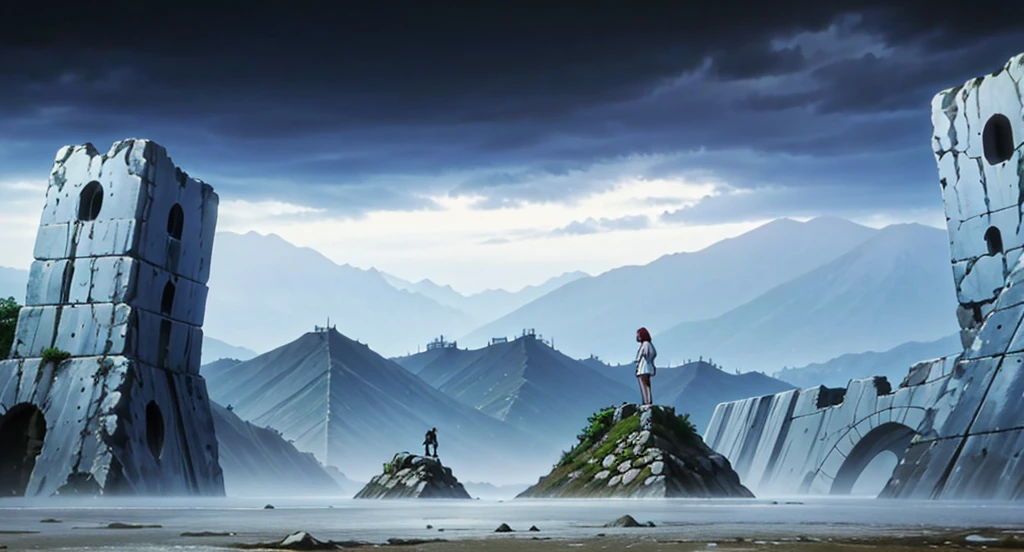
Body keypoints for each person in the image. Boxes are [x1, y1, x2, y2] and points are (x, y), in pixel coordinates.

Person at [634, 327, 657, 406]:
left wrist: (638, 360)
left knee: (644, 384)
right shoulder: (649, 344)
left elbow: (641, 355)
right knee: (647, 384)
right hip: (648, 366)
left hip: (644, 367)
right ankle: (648, 400)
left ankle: (646, 401)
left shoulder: (645, 344)